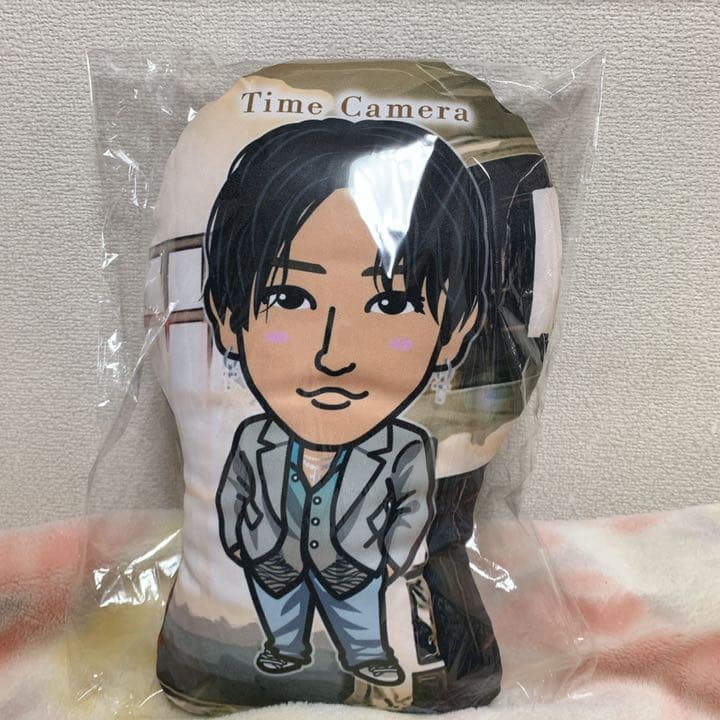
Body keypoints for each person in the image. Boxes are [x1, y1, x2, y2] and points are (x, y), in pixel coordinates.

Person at [204, 118, 488, 687]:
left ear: (455, 332)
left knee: (360, 622)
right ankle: (284, 649)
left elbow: (415, 508)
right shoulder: (254, 438)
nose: (333, 356)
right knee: (280, 614)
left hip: (357, 567)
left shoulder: (407, 447)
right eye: (290, 297)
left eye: (390, 304)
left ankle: (367, 655)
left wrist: (388, 562)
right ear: (228, 318)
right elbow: (235, 488)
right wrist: (240, 540)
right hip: (272, 559)